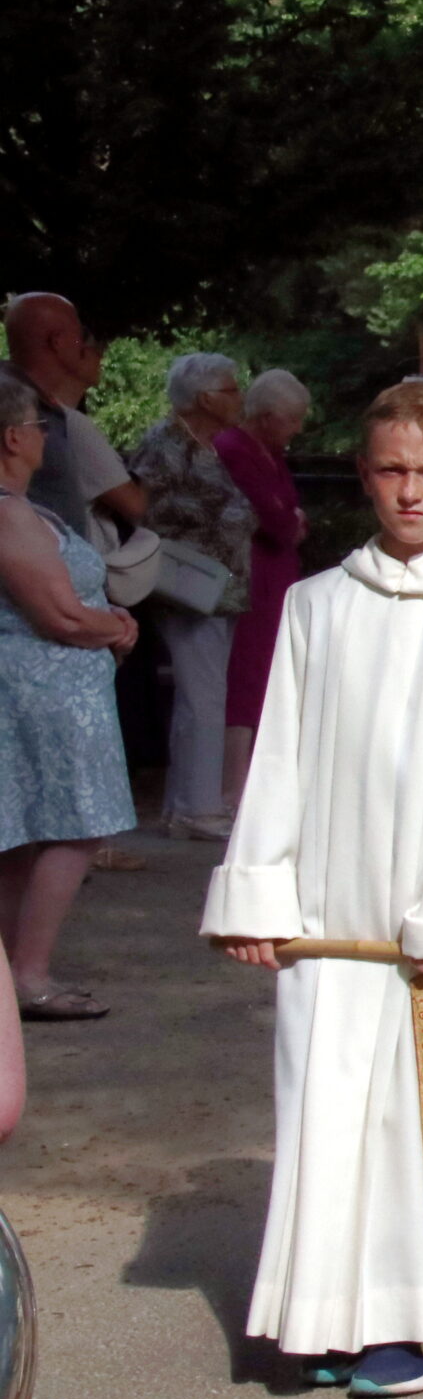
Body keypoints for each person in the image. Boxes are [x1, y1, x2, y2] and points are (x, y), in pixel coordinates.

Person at [203, 380, 423, 1399]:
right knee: (324, 1094)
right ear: (363, 474)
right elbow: (281, 755)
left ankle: (416, 1318)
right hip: (333, 904)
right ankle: (324, 1311)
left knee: (415, 1108)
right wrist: (260, 894)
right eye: (392, 470)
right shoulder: (319, 605)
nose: (410, 491)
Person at [0, 366, 139, 1021]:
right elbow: (59, 615)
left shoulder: (22, 508)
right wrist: (116, 626)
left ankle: (14, 973)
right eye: (36, 426)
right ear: (11, 437)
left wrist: (107, 619)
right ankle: (30, 975)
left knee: (24, 836)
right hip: (47, 694)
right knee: (75, 829)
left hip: (50, 691)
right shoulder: (8, 514)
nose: (43, 438)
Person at [131, 353, 256, 840]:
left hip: (217, 589)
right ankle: (198, 808)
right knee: (202, 696)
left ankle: (185, 805)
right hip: (187, 587)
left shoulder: (208, 444)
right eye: (231, 389)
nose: (239, 397)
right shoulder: (166, 444)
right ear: (205, 398)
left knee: (203, 693)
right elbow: (140, 510)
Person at [214, 370, 307, 810]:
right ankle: (232, 787)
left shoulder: (271, 452)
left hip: (274, 576)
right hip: (251, 576)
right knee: (245, 675)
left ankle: (251, 782)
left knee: (266, 671)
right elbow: (276, 517)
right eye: (293, 419)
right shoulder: (235, 449)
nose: (298, 429)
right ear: (268, 417)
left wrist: (289, 520)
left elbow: (287, 512)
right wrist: (290, 522)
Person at [2, 294, 146, 553]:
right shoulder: (19, 408)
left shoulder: (32, 402)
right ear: (57, 341)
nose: (88, 347)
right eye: (80, 335)